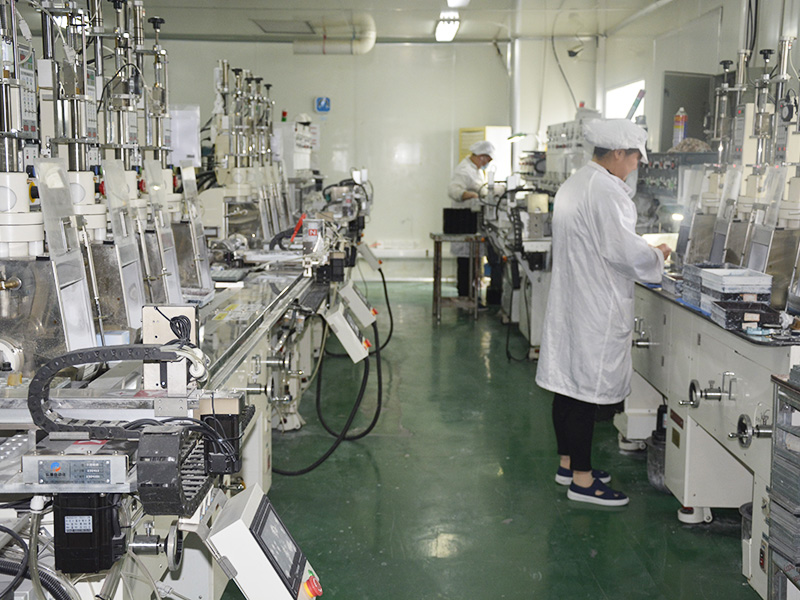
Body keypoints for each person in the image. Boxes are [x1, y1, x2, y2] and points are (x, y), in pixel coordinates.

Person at [535, 118, 671, 507]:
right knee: (583, 393)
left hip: (572, 301)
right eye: (635, 158)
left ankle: (567, 464)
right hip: (594, 305)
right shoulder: (607, 192)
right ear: (617, 153)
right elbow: (622, 251)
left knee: (566, 385)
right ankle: (582, 481)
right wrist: (657, 255)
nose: (636, 166)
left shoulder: (576, 183)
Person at [447, 141, 495, 298]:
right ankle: (465, 296)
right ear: (481, 157)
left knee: (473, 262)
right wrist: (471, 195)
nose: (487, 163)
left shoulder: (476, 170)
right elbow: (453, 190)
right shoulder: (464, 170)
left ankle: (472, 297)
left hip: (473, 221)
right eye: (487, 160)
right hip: (463, 220)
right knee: (465, 263)